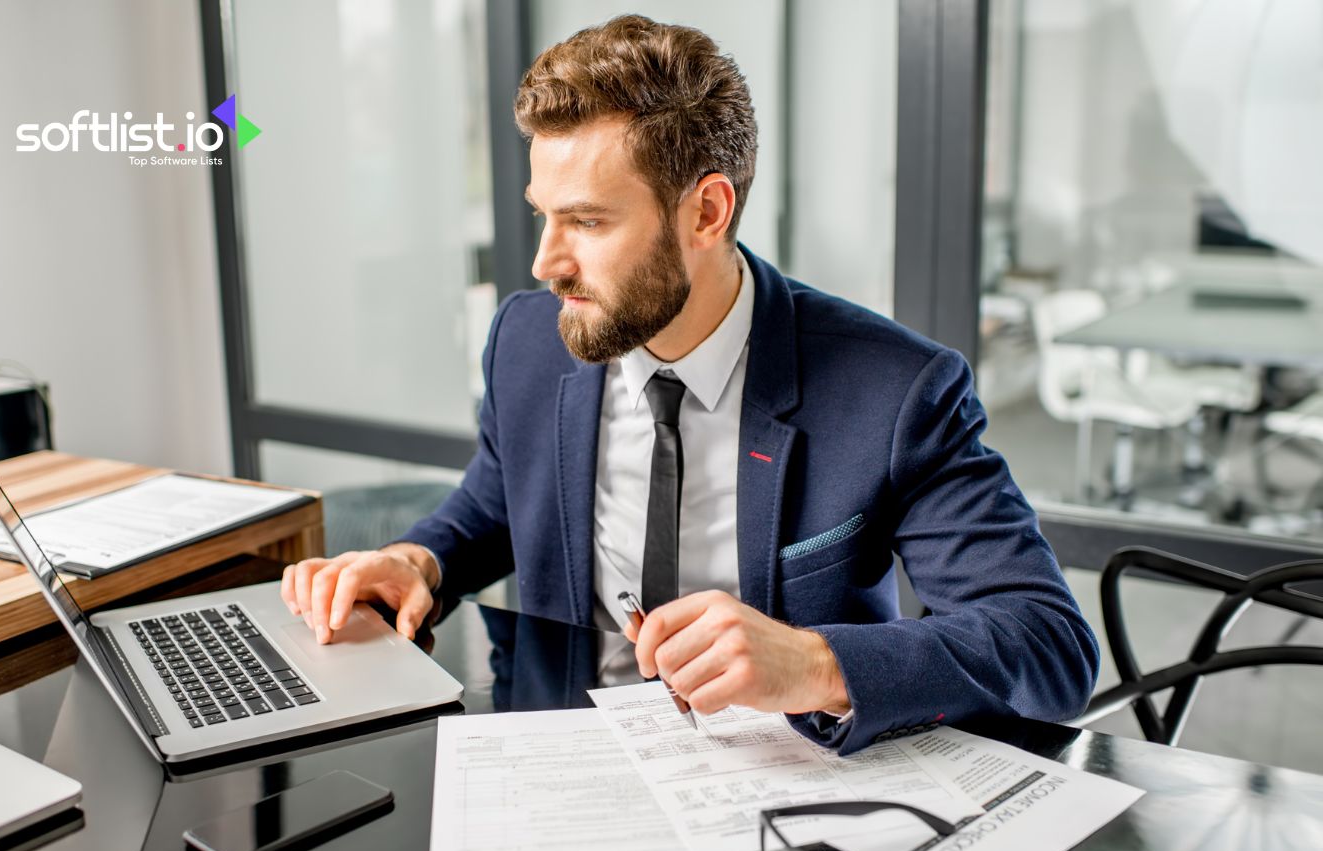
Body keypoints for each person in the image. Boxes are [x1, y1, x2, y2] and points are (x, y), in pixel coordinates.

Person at [281, 14, 1098, 754]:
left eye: (589, 221)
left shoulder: (895, 390)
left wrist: (815, 662)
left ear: (707, 212)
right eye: (543, 214)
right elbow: (495, 502)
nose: (544, 263)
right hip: (566, 761)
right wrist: (418, 558)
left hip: (787, 796)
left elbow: (1049, 645)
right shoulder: (529, 341)